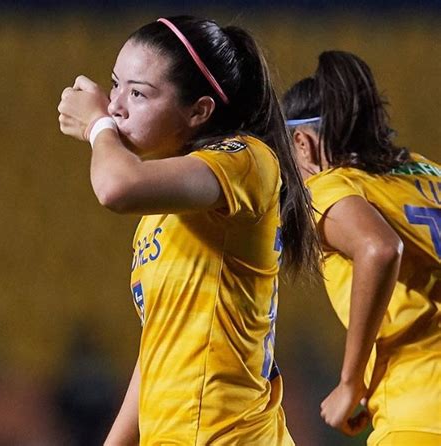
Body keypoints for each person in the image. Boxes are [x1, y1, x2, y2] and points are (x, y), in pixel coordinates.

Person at [57, 15, 321, 445]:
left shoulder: (245, 160)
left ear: (199, 111)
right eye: (115, 83)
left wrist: (96, 128)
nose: (115, 104)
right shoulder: (165, 209)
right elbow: (159, 349)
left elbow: (115, 186)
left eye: (138, 93)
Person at [282, 50, 441, 446]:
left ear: (302, 144)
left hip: (420, 410)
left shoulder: (330, 185)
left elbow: (379, 248)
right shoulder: (429, 173)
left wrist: (350, 383)